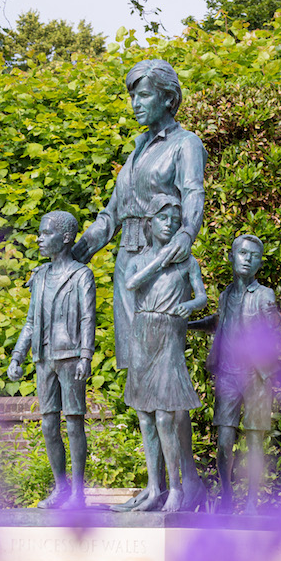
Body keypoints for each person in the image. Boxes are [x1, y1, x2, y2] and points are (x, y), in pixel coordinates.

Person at [73, 58, 207, 507]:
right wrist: (85, 244)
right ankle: (157, 488)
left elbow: (194, 196)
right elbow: (110, 213)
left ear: (168, 97)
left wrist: (184, 238)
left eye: (143, 94)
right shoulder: (135, 151)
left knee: (165, 384)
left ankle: (186, 485)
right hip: (128, 271)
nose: (134, 103)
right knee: (141, 384)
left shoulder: (185, 144)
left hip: (162, 268)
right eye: (132, 95)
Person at [121, 196, 207, 512]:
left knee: (165, 415)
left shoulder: (187, 262)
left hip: (169, 332)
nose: (169, 224)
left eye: (174, 219)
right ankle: (153, 487)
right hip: (143, 332)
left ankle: (176, 488)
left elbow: (202, 297)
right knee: (144, 416)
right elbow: (131, 283)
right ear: (150, 223)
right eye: (163, 218)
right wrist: (160, 260)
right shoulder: (137, 260)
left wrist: (191, 305)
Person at [7, 211, 96, 509]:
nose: (39, 238)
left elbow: (88, 318)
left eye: (46, 233)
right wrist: (18, 354)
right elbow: (31, 321)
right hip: (43, 357)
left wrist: (86, 355)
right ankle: (61, 488)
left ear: (66, 237)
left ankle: (78, 494)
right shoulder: (40, 275)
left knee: (73, 423)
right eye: (40, 233)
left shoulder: (82, 275)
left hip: (70, 356)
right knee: (48, 425)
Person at [190, 234, 279, 514]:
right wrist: (186, 325)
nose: (247, 258)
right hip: (228, 375)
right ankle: (227, 497)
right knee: (224, 443)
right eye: (242, 253)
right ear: (232, 257)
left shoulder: (265, 295)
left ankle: (252, 503)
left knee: (254, 443)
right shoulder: (227, 294)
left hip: (255, 377)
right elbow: (219, 323)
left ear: (259, 263)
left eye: (253, 255)